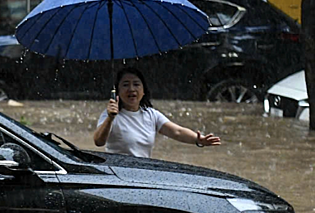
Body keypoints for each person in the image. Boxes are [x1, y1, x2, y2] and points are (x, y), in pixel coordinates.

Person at [93, 67, 222, 158]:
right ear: (118, 91)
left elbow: (176, 132)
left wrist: (198, 140)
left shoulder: (151, 114)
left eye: (136, 84)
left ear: (143, 91)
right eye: (125, 85)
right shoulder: (110, 115)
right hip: (117, 171)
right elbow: (98, 141)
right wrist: (110, 118)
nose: (131, 89)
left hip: (143, 170)